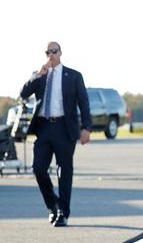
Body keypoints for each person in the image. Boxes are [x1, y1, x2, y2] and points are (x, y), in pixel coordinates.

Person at [19, 42, 92, 227]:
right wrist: (37, 74)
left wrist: (87, 128)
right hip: (44, 128)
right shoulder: (40, 76)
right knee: (38, 168)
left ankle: (63, 213)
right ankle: (53, 205)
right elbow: (23, 94)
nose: (51, 54)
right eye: (48, 52)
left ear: (60, 53)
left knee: (64, 171)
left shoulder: (73, 76)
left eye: (54, 51)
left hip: (64, 128)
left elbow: (84, 103)